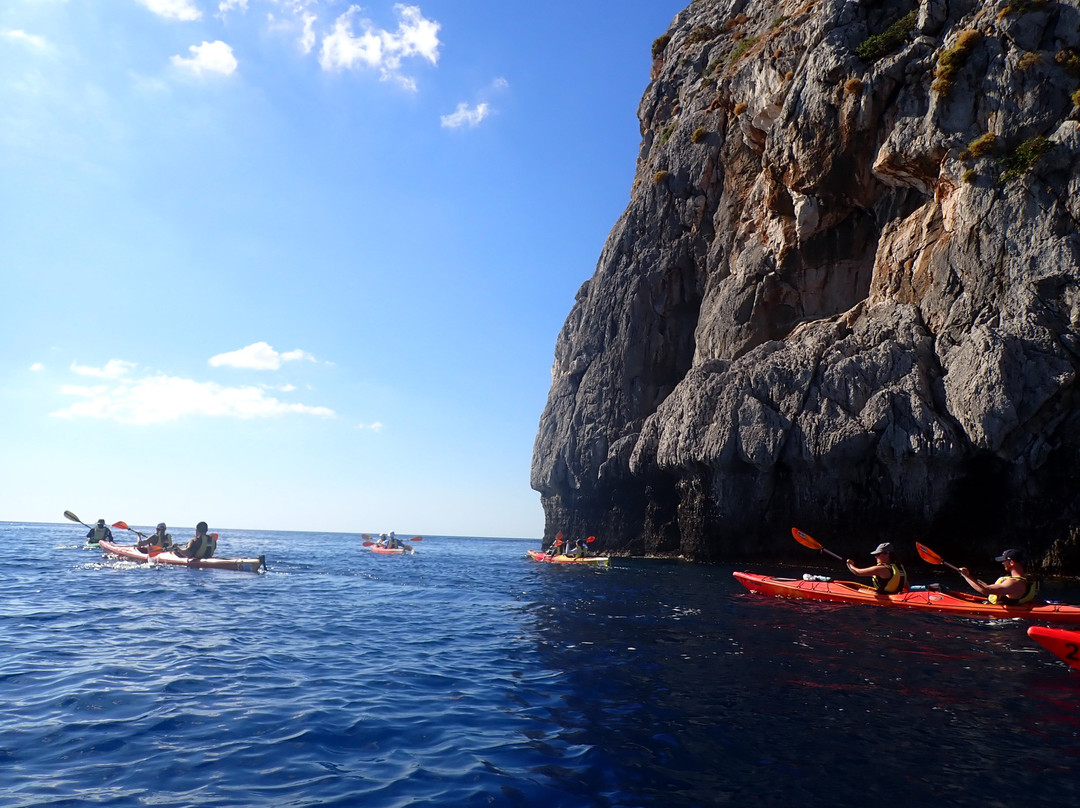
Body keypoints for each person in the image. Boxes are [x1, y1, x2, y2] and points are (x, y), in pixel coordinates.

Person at [959, 548, 1040, 604]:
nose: (1002, 563)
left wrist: (966, 576)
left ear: (1011, 563)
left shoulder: (1014, 583)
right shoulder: (1027, 580)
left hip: (1002, 619)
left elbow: (984, 590)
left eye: (1004, 561)